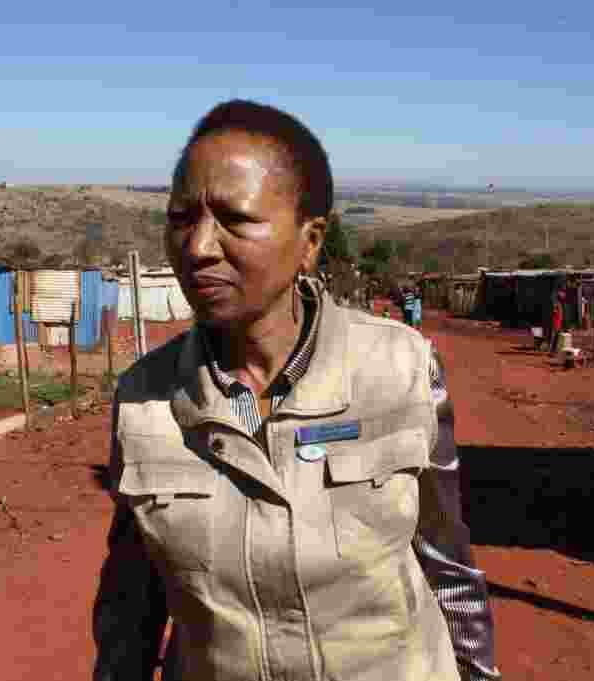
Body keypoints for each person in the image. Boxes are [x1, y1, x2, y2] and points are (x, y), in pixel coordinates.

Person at [93, 100, 500, 681]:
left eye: (235, 219)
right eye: (182, 217)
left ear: (310, 241)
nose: (199, 246)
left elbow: (448, 566)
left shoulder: (400, 367)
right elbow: (130, 607)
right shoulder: (144, 399)